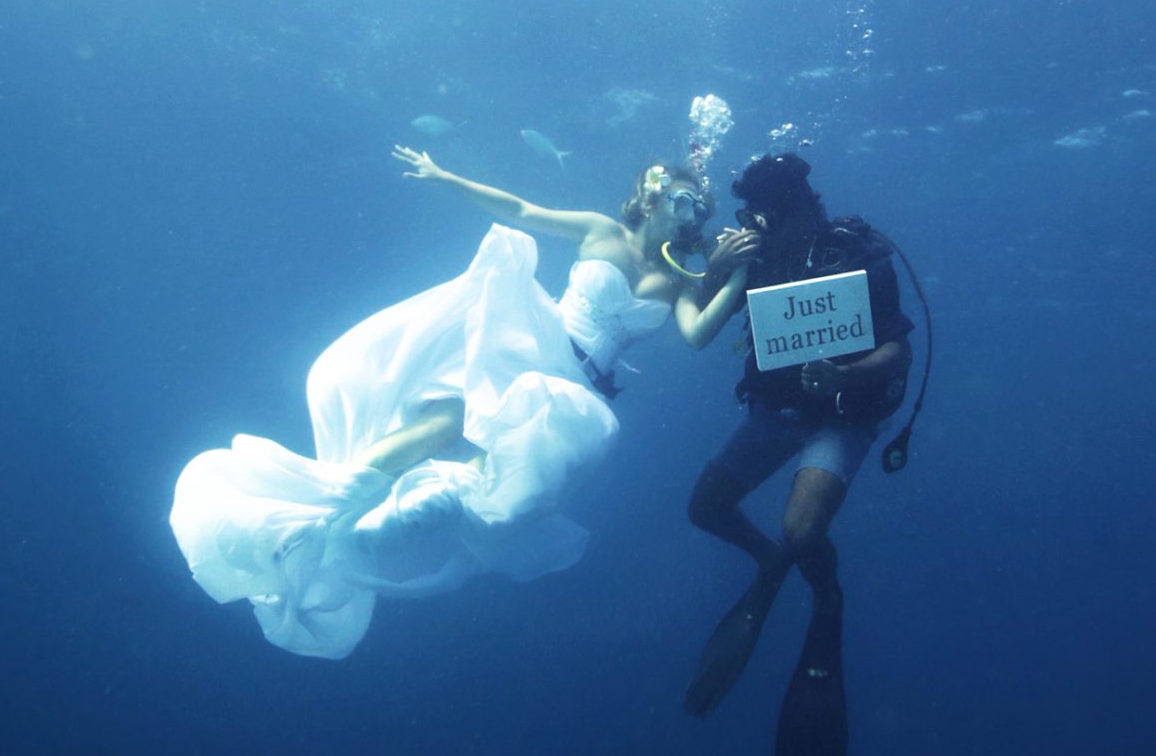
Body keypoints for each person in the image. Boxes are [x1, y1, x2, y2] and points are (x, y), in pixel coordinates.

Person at [170, 147, 748, 662]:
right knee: (442, 420)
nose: (693, 214)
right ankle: (322, 505)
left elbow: (697, 336)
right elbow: (522, 212)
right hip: (530, 338)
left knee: (494, 485)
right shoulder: (601, 231)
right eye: (683, 199)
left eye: (699, 208)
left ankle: (367, 538)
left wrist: (737, 277)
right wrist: (444, 176)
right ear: (650, 196)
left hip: (575, 388)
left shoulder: (680, 278)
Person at [682, 152, 914, 756]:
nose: (759, 220)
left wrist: (845, 378)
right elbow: (699, 324)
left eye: (771, 207)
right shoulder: (748, 257)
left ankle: (823, 592)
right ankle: (769, 563)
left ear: (801, 204)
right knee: (705, 507)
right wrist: (720, 268)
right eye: (756, 211)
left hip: (839, 416)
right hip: (776, 412)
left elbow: (898, 350)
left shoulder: (856, 250)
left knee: (802, 528)